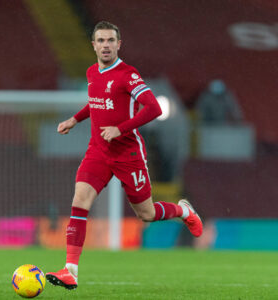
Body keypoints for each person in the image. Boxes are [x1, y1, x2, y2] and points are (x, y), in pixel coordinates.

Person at [46, 21, 203, 290]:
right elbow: (96, 102)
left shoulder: (127, 75)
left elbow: (153, 108)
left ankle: (183, 210)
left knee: (147, 213)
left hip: (128, 153)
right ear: (93, 45)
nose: (105, 45)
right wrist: (75, 119)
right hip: (98, 151)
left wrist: (120, 129)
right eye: (101, 41)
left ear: (119, 45)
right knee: (80, 200)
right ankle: (70, 270)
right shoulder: (92, 72)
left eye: (110, 41)